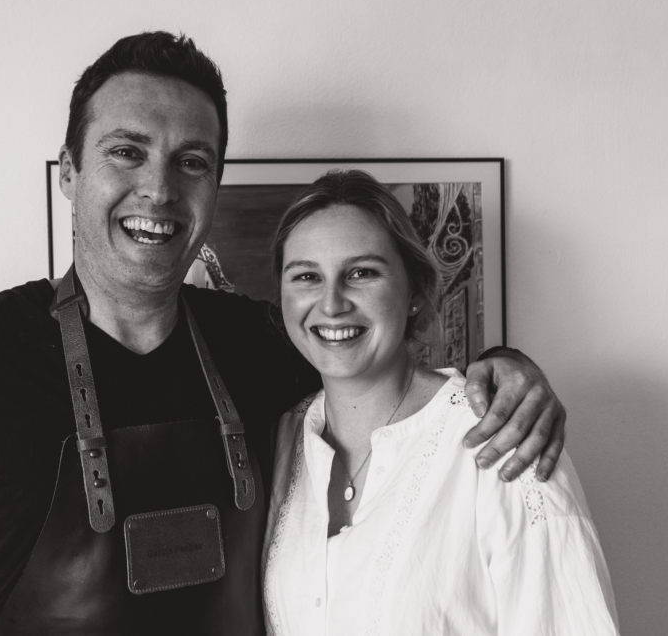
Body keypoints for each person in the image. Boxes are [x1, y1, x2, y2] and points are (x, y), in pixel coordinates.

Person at [0, 32, 568, 636]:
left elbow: (395, 389)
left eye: (192, 161)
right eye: (127, 152)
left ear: (213, 185)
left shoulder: (265, 343)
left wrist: (506, 367)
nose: (158, 188)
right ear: (69, 171)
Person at [262, 169, 618, 635]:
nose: (331, 304)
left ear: (414, 291)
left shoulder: (504, 437)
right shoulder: (278, 441)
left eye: (362, 273)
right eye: (307, 276)